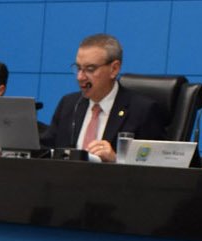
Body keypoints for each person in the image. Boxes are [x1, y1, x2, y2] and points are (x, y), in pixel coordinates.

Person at [45, 33, 169, 162]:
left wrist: (116, 160)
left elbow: (157, 165)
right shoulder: (69, 104)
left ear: (114, 69)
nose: (80, 77)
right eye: (78, 68)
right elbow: (45, 150)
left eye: (90, 69)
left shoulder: (142, 111)